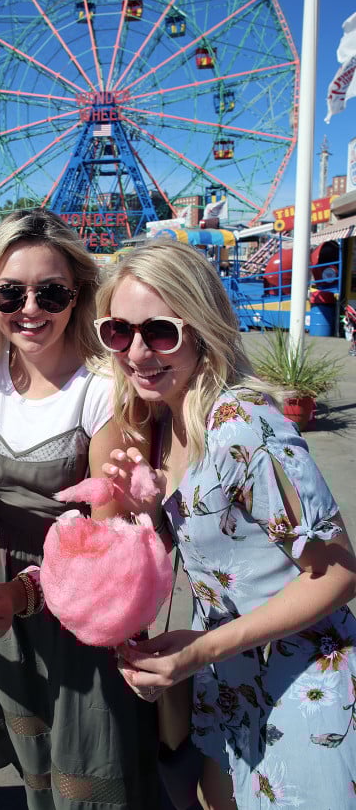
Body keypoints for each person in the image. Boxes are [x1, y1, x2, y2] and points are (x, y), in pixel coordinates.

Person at [0, 209, 161, 809]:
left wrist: (24, 594)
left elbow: (109, 550)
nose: (30, 308)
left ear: (78, 295)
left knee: (91, 769)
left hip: (73, 611)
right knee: (35, 766)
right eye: (9, 292)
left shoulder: (102, 388)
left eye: (51, 292)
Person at [96, 238, 356, 810]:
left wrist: (202, 650)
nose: (137, 352)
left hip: (302, 680)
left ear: (203, 327)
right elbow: (223, 550)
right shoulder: (165, 419)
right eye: (117, 331)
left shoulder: (241, 424)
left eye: (160, 331)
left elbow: (336, 572)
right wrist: (144, 514)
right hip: (231, 676)